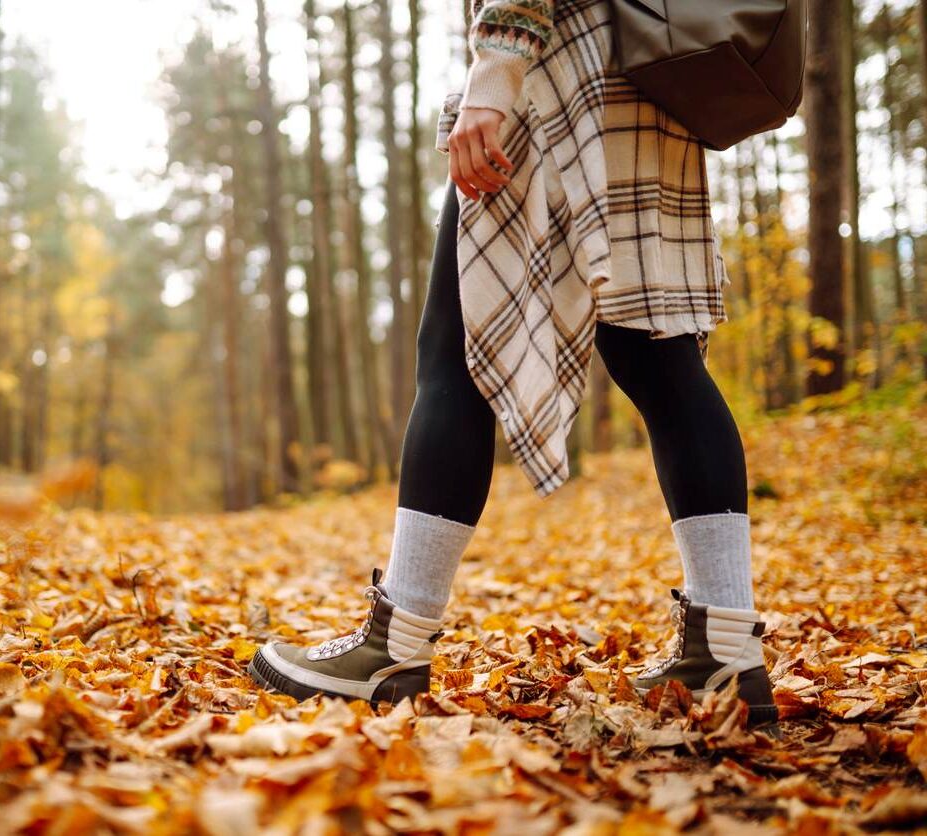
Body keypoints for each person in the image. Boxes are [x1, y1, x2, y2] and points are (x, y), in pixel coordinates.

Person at [248, 0, 777, 729]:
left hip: (556, 84)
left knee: (455, 352)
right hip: (643, 88)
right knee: (659, 357)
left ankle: (393, 648)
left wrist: (493, 78)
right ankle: (724, 654)